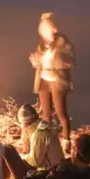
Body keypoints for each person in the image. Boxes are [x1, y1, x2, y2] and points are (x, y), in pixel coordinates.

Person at [29, 12, 76, 155]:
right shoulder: (42, 45)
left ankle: (66, 141)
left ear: (53, 29)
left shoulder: (62, 42)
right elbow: (40, 62)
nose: (43, 32)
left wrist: (58, 60)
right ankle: (48, 141)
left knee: (61, 113)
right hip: (44, 79)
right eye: (41, 30)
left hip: (58, 80)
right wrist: (35, 61)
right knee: (46, 114)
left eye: (45, 29)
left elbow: (71, 61)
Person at [18, 102, 63, 170]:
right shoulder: (44, 126)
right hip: (59, 168)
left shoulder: (39, 133)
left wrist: (22, 156)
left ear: (24, 123)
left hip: (51, 172)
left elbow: (35, 161)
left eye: (21, 123)